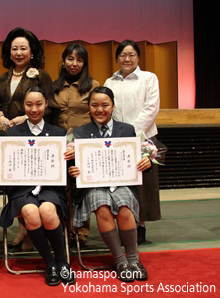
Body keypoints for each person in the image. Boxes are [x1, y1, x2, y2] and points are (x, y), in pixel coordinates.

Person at [0, 87, 76, 286]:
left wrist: (72, 157)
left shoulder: (58, 133)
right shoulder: (12, 133)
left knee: (47, 209)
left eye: (39, 104)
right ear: (23, 106)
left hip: (50, 188)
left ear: (46, 104)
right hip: (22, 189)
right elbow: (3, 164)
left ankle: (62, 262)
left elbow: (68, 168)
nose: (34, 109)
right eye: (29, 104)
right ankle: (50, 263)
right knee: (30, 211)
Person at [68, 86, 150, 282]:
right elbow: (71, 165)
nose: (100, 109)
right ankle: (120, 260)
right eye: (94, 105)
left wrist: (146, 163)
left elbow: (139, 159)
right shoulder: (79, 132)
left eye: (105, 105)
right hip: (93, 186)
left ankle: (134, 259)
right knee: (102, 206)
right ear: (88, 107)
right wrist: (72, 171)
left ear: (112, 106)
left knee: (124, 208)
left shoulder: (128, 129)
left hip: (122, 183)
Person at [0, 27, 60, 249]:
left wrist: (25, 117)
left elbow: (51, 106)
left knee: (33, 181)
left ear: (32, 52)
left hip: (36, 138)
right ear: (9, 52)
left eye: (24, 48)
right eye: (14, 48)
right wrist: (1, 116)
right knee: (18, 183)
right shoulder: (4, 77)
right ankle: (24, 228)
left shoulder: (41, 76)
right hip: (10, 138)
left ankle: (32, 232)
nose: (19, 52)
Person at [104, 40, 161, 244]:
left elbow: (151, 108)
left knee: (142, 185)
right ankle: (124, 225)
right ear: (117, 58)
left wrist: (131, 133)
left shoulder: (148, 78)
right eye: (122, 55)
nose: (127, 59)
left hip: (142, 138)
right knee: (120, 183)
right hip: (117, 141)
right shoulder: (110, 82)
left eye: (131, 55)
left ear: (138, 57)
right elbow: (107, 109)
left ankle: (141, 226)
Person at [54, 43, 99, 244]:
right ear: (63, 61)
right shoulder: (54, 86)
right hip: (58, 145)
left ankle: (81, 231)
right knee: (62, 189)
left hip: (83, 145)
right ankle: (63, 228)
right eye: (70, 59)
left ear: (84, 63)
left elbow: (99, 115)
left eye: (79, 60)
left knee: (81, 187)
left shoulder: (93, 86)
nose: (74, 63)